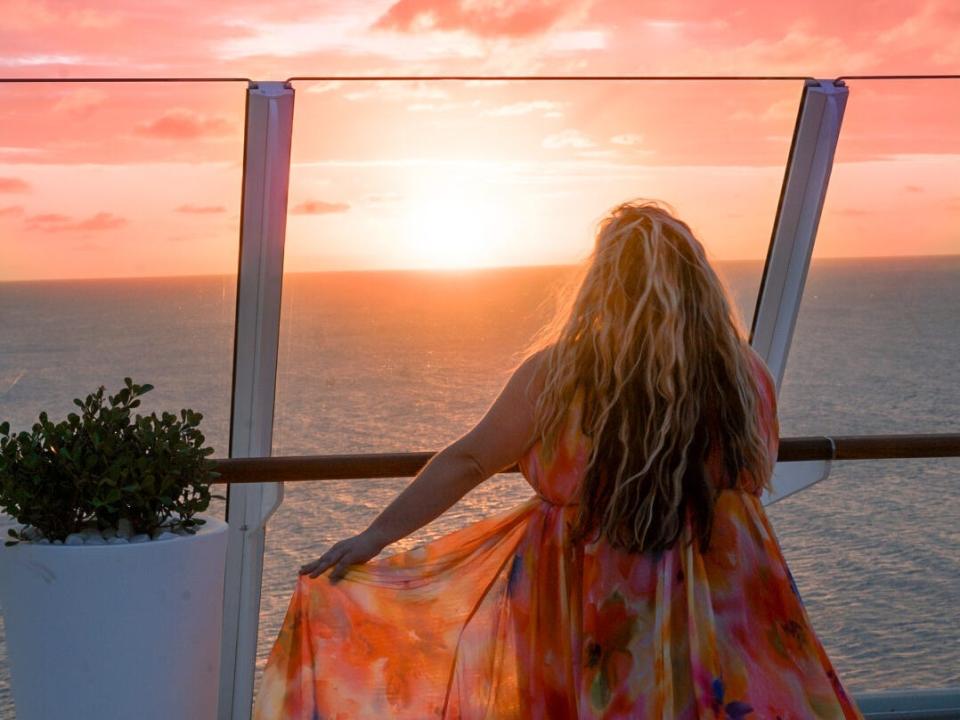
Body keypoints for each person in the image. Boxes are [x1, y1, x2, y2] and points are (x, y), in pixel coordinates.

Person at [252, 199, 864, 719]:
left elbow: (469, 461)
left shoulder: (558, 376)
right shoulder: (744, 375)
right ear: (698, 284)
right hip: (726, 595)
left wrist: (375, 536)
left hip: (586, 596)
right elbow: (757, 469)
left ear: (601, 284)